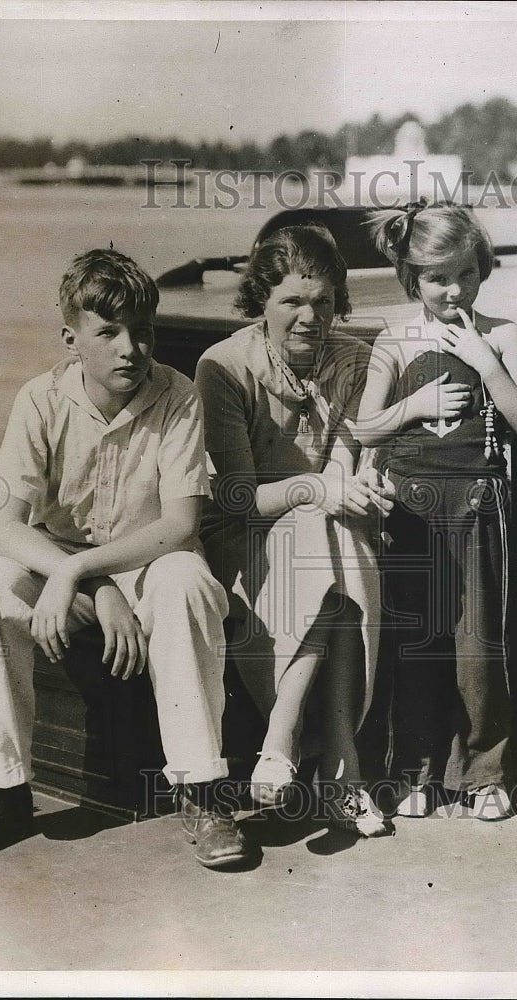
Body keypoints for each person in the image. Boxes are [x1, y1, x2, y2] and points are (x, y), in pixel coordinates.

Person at [0, 248, 252, 870]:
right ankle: (5, 789)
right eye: (108, 332)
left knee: (187, 584)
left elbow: (180, 525)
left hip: (149, 564)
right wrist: (79, 578)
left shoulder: (178, 397)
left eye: (142, 330)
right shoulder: (39, 400)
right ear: (72, 340)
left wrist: (86, 572)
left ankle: (200, 789)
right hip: (60, 567)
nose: (130, 349)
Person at [195, 225, 394, 838]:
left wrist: (360, 486)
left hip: (327, 535)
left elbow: (348, 468)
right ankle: (341, 770)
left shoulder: (356, 362)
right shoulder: (224, 366)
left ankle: (285, 742)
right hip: (244, 537)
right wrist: (316, 490)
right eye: (292, 301)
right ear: (261, 300)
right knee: (324, 528)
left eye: (324, 301)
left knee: (334, 533)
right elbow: (238, 499)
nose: (311, 317)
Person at [350, 202, 517, 820]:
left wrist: (486, 363)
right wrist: (415, 406)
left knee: (479, 645)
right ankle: (417, 771)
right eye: (437, 278)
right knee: (417, 642)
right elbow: (364, 429)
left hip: (478, 505)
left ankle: (484, 775)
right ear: (412, 279)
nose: (454, 290)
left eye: (466, 273)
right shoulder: (394, 339)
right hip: (410, 511)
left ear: (482, 267)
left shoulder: (501, 334)